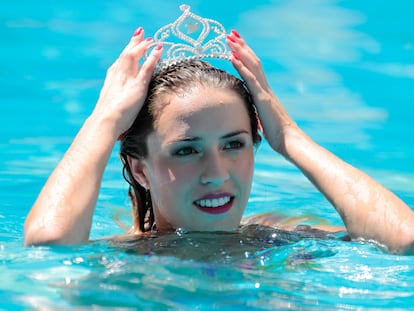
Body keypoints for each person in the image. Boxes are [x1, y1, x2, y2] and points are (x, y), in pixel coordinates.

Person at [24, 12, 414, 254]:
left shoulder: (281, 243)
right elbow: (49, 246)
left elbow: (406, 241)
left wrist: (291, 138)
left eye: (233, 144)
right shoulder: (120, 260)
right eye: (186, 151)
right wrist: (103, 121)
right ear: (140, 170)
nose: (217, 173)